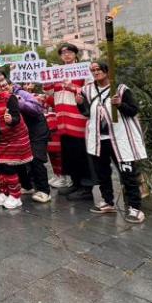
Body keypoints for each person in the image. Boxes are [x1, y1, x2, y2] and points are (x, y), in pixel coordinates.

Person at [77, 61, 147, 224]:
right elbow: (87, 113)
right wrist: (80, 104)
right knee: (102, 173)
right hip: (99, 139)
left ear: (107, 71)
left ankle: (135, 207)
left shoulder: (121, 89)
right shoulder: (87, 90)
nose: (96, 72)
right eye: (93, 70)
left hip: (120, 139)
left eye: (98, 69)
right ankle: (108, 202)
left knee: (128, 174)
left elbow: (133, 110)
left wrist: (120, 105)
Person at [45, 43, 93, 200]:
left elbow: (91, 90)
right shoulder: (57, 72)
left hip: (78, 118)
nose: (66, 55)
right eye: (63, 53)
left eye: (69, 52)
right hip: (62, 120)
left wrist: (73, 87)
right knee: (69, 153)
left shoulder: (84, 70)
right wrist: (46, 82)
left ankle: (86, 187)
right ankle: (75, 183)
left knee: (81, 152)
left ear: (75, 54)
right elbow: (51, 94)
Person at [0, 76, 33, 209]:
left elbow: (16, 117)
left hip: (15, 137)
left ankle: (15, 196)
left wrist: (11, 120)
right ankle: (5, 193)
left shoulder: (10, 98)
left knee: (9, 167)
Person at [4, 80, 51, 203]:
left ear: (10, 85)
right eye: (0, 86)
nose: (3, 88)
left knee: (36, 158)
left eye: (5, 85)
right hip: (20, 132)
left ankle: (44, 191)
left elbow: (37, 109)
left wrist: (19, 102)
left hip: (37, 130)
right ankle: (27, 186)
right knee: (19, 160)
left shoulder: (22, 94)